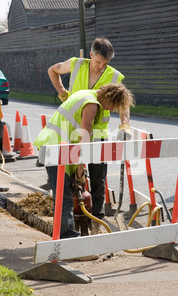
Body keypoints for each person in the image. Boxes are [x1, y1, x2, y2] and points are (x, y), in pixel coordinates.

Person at [47, 38, 131, 233]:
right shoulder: (77, 64)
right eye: (98, 62)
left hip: (97, 132)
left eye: (105, 63)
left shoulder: (113, 75)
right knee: (71, 176)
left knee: (97, 177)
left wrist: (124, 124)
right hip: (73, 130)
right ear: (91, 55)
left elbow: (123, 103)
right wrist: (62, 92)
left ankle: (97, 221)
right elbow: (53, 70)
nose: (101, 66)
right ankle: (74, 220)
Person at [33, 83, 135, 239]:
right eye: (113, 106)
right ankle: (68, 240)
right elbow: (84, 141)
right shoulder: (91, 105)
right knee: (65, 197)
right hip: (57, 148)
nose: (111, 110)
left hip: (59, 146)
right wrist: (80, 171)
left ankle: (65, 237)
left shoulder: (86, 94)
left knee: (64, 195)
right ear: (108, 98)